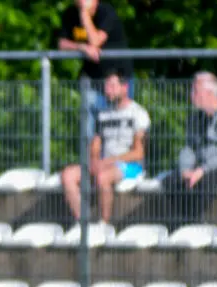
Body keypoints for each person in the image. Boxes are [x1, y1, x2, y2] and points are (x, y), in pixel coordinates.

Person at [61, 71, 150, 226]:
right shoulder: (103, 114)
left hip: (131, 166)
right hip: (104, 164)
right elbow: (95, 145)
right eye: (106, 86)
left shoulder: (139, 114)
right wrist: (94, 161)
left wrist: (109, 161)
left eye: (112, 86)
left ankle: (104, 224)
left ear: (125, 88)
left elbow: (139, 152)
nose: (108, 90)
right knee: (68, 175)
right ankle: (83, 223)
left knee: (103, 177)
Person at [164, 71, 217, 223]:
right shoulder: (195, 118)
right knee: (171, 180)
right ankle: (178, 223)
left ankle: (196, 223)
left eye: (196, 91)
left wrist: (203, 170)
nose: (191, 95)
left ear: (210, 93)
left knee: (205, 182)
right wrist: (185, 170)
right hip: (200, 166)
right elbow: (189, 148)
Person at [58, 0, 132, 136]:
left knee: (119, 130)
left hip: (118, 80)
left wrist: (84, 15)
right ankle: (91, 157)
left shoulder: (106, 12)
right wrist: (82, 47)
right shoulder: (70, 14)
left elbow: (95, 41)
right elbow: (62, 44)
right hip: (93, 80)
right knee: (90, 131)